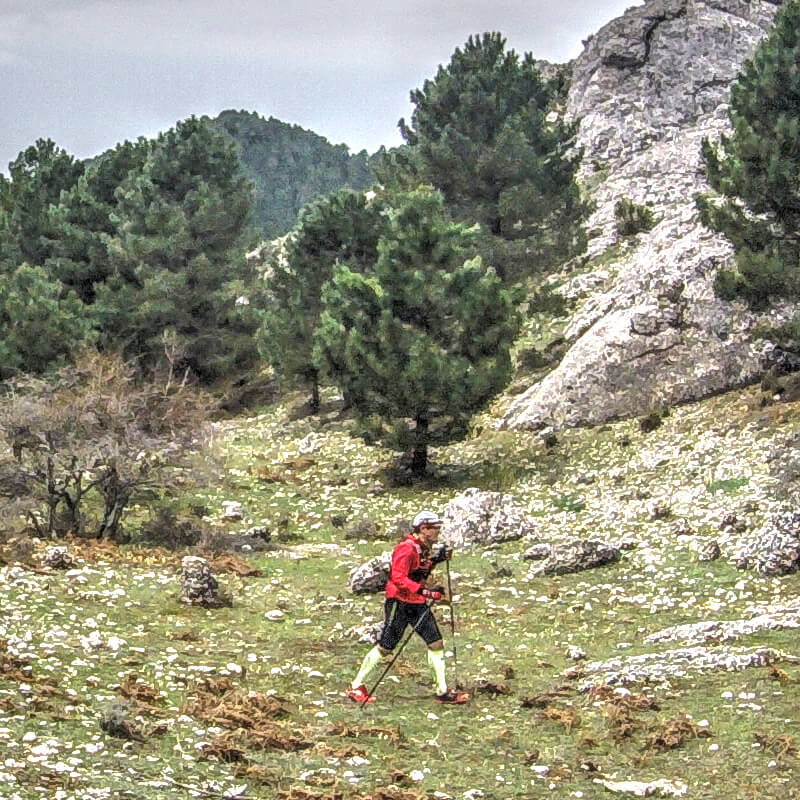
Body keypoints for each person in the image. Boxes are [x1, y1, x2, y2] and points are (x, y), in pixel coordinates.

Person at [345, 510, 468, 705]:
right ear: (423, 528)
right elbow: (398, 578)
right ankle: (356, 685)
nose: (438, 532)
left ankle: (442, 690)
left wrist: (436, 561)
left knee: (435, 643)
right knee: (386, 646)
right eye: (434, 528)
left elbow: (420, 572)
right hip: (400, 603)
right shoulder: (407, 548)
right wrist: (426, 592)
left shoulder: (424, 548)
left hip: (417, 603)